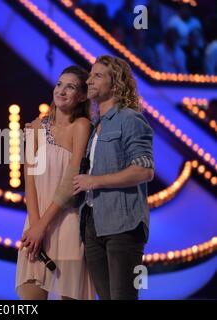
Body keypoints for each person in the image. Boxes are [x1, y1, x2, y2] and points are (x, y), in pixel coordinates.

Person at [73, 55, 154, 300]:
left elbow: (144, 170)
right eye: (90, 75)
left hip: (123, 225)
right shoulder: (96, 125)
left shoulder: (130, 119)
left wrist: (95, 181)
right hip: (92, 224)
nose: (89, 80)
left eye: (97, 75)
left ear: (116, 82)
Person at [16, 66, 95, 300]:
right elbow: (28, 182)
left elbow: (71, 180)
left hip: (67, 224)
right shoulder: (36, 127)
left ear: (81, 96)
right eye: (59, 84)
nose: (61, 90)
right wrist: (35, 225)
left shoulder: (81, 126)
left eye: (70, 86)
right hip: (35, 223)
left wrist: (42, 227)